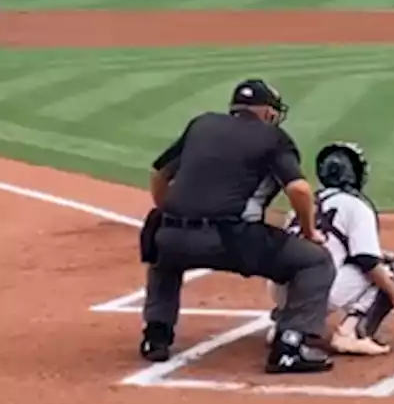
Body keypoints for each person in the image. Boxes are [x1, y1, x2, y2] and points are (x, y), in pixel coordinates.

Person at [138, 79, 338, 374]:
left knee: (163, 254)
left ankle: (156, 336)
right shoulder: (273, 138)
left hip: (173, 236)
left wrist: (167, 210)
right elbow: (299, 190)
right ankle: (290, 346)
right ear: (267, 112)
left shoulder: (201, 125)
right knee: (314, 261)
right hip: (230, 239)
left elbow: (159, 174)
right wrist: (309, 232)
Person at [267, 142, 394, 355]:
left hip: (278, 290)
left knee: (311, 260)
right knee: (388, 266)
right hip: (317, 292)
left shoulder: (306, 202)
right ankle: (351, 333)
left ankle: (285, 326)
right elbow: (366, 259)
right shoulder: (356, 206)